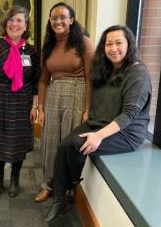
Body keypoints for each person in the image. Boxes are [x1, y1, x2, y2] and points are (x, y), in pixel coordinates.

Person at [45, 25, 152, 223]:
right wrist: (90, 118)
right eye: (109, 44)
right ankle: (61, 197)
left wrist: (99, 136)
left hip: (125, 133)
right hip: (99, 122)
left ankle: (64, 192)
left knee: (77, 145)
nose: (113, 48)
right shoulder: (107, 67)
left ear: (129, 44)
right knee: (63, 146)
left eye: (119, 43)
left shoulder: (138, 73)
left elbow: (130, 114)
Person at [0, 5, 40, 198]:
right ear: (5, 23)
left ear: (26, 25)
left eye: (19, 20)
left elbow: (36, 81)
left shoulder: (31, 50)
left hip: (22, 103)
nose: (14, 24)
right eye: (11, 19)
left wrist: (34, 106)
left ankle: (14, 178)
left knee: (18, 143)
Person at [35, 2, 94, 202]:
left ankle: (66, 187)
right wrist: (40, 107)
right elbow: (43, 80)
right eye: (54, 18)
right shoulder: (48, 46)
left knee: (67, 143)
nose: (58, 21)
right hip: (53, 95)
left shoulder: (83, 43)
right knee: (50, 142)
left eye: (62, 17)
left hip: (77, 95)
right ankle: (48, 184)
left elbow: (91, 78)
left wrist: (88, 108)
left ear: (71, 20)